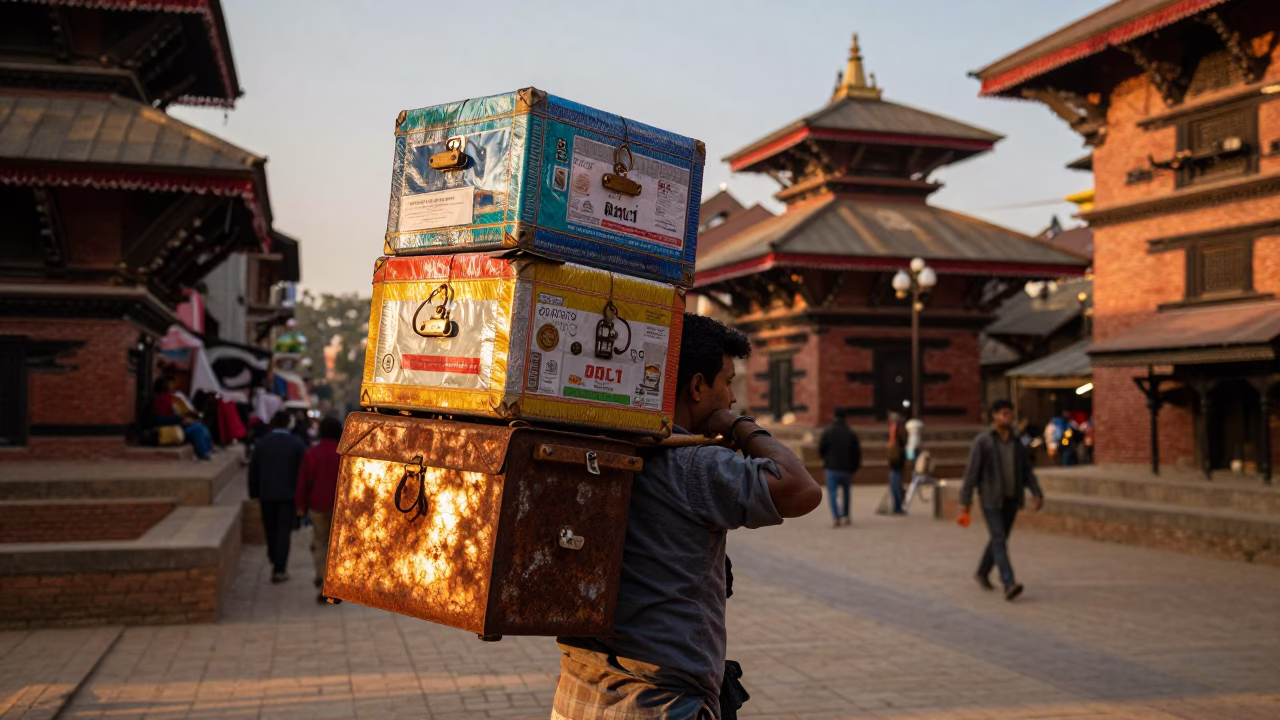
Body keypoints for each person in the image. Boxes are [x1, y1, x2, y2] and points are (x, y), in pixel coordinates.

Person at [553, 314, 822, 719]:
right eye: (727, 383)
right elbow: (802, 490)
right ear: (697, 386)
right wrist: (741, 425)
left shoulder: (597, 448)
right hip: (660, 704)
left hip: (578, 690)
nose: (732, 398)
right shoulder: (694, 464)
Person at [959, 399, 1045, 602]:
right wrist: (965, 500)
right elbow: (972, 472)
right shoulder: (984, 441)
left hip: (1012, 498)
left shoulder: (1017, 442)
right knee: (998, 538)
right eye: (1005, 414)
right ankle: (1009, 582)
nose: (1009, 418)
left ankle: (982, 572)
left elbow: (1026, 470)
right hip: (991, 499)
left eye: (1010, 414)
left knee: (1000, 539)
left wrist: (1036, 492)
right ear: (995, 416)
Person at [248, 410, 307, 583]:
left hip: (266, 494)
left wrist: (253, 492)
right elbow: (302, 473)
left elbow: (254, 470)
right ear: (288, 423)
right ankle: (280, 568)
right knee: (283, 531)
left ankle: (274, 556)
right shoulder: (297, 443)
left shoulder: (262, 443)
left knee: (270, 528)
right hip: (288, 496)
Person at [297, 416, 343, 603]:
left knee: (320, 543)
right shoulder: (344, 453)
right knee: (336, 545)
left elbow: (304, 482)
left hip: (317, 506)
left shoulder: (312, 454)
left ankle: (323, 581)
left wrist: (301, 507)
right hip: (340, 508)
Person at [818, 409, 862, 527]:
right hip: (847, 467)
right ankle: (846, 515)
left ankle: (836, 516)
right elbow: (856, 452)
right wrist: (854, 467)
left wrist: (826, 460)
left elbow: (821, 449)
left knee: (832, 493)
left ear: (834, 416)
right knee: (846, 493)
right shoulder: (850, 433)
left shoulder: (828, 432)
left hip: (832, 467)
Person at [886, 412, 907, 515]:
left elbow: (896, 446)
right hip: (898, 460)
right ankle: (897, 505)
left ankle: (897, 506)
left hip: (896, 461)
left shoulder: (896, 430)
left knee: (894, 484)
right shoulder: (900, 430)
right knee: (896, 484)